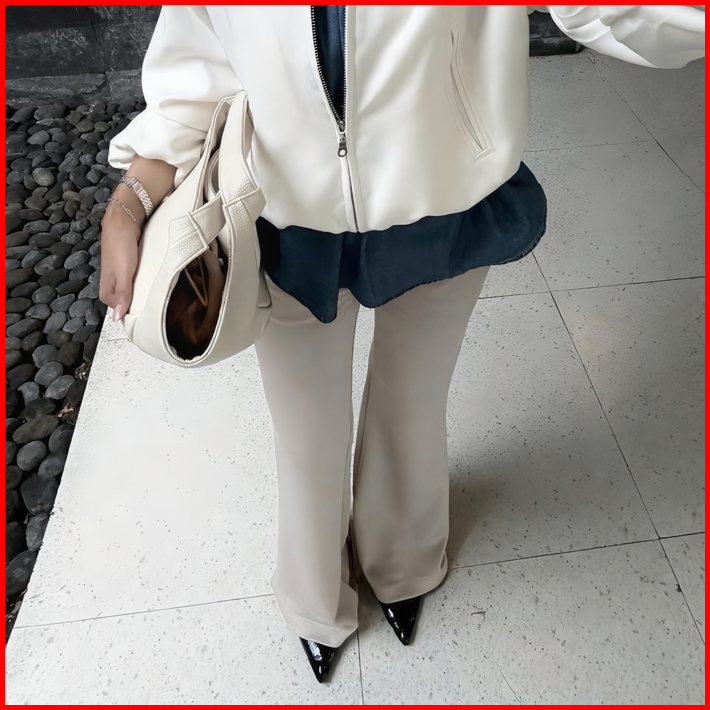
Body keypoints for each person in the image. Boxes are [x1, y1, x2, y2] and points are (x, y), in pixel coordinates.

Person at [100, 5, 705, 683]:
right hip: (286, 220)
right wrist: (131, 199)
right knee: (306, 430)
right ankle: (312, 597)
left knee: (412, 403)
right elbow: (197, 69)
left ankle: (404, 561)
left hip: (441, 201)